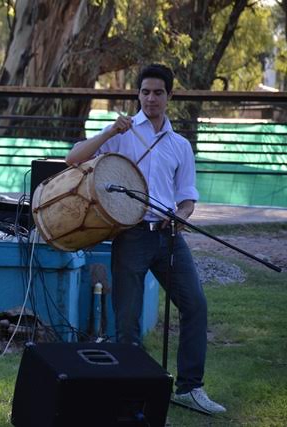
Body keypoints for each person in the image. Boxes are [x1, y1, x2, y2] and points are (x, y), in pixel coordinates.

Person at [65, 64, 226, 414]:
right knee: (127, 320)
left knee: (195, 305)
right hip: (130, 235)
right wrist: (108, 131)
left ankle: (189, 388)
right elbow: (73, 158)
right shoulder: (122, 133)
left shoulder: (181, 145)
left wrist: (181, 218)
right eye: (145, 92)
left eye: (158, 92)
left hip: (168, 239)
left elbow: (187, 197)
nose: (151, 98)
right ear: (137, 94)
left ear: (170, 96)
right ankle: (128, 393)